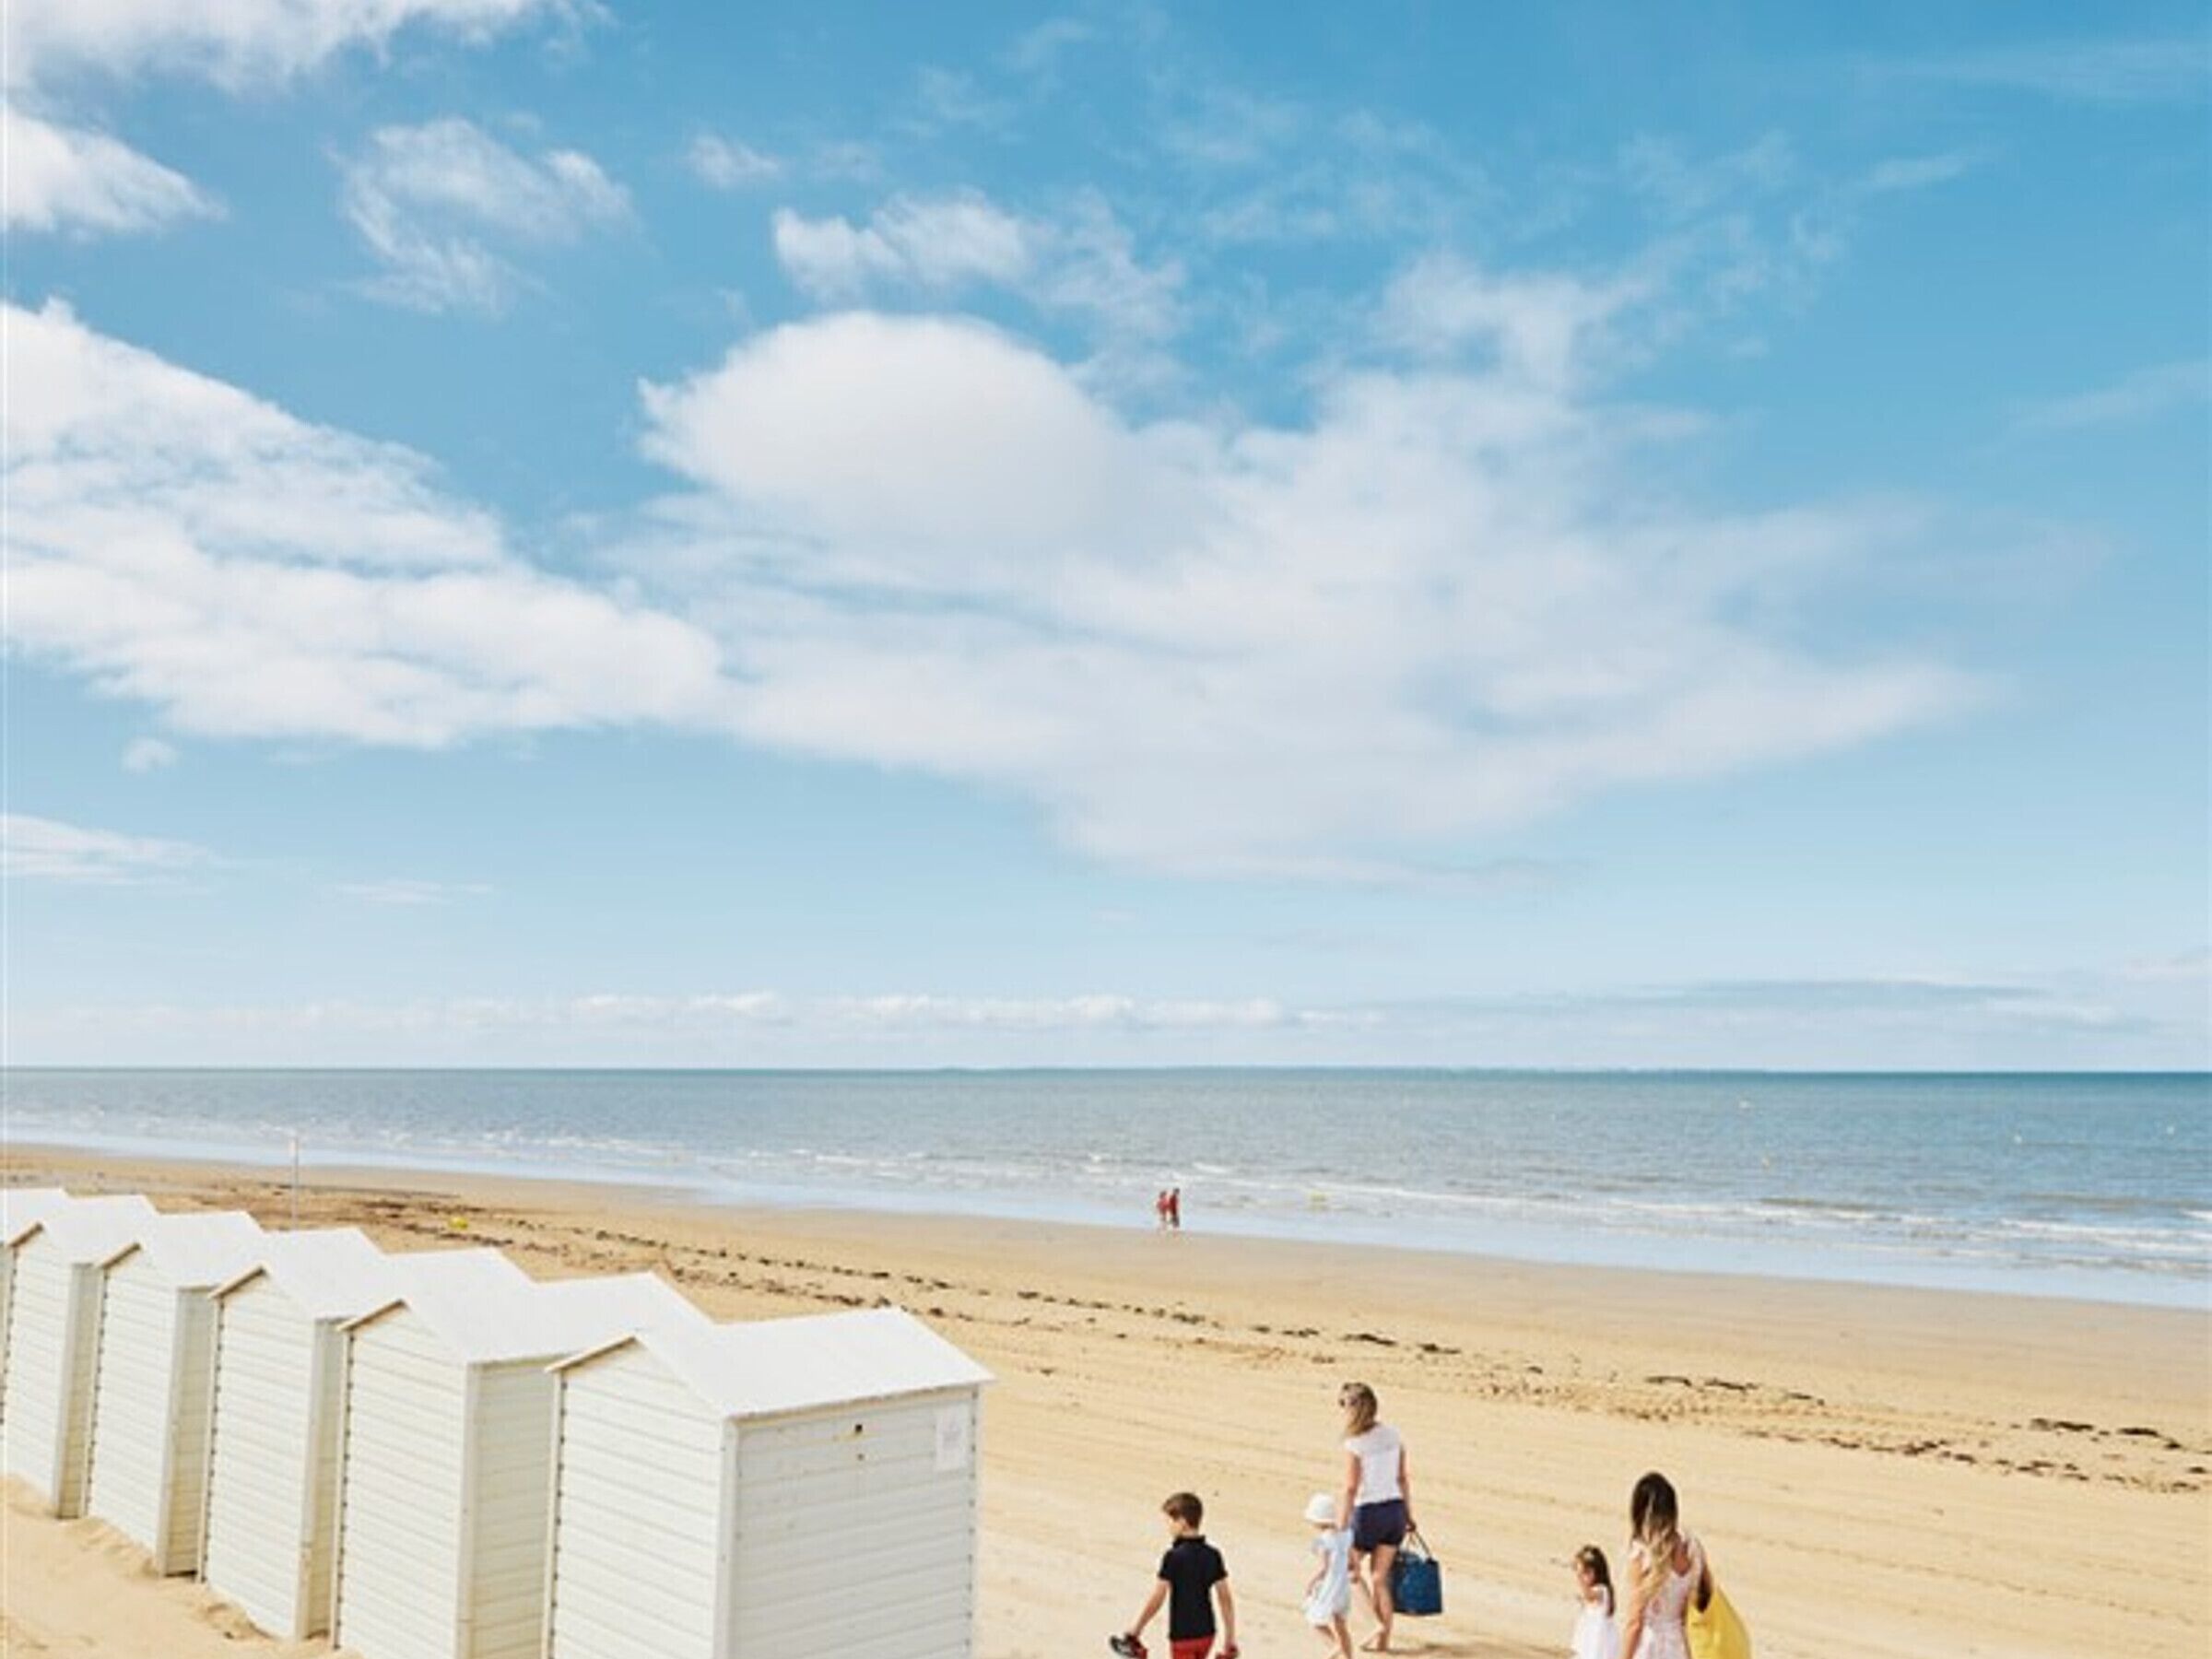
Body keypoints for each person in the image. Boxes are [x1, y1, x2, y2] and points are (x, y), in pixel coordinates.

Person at [1335, 1382, 1413, 1652]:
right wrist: (1409, 1515)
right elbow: (1403, 1478)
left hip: (1368, 1513)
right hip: (1394, 1511)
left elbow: (1350, 1488)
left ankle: (1373, 1623)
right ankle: (1384, 1641)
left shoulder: (1354, 1443)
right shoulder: (1394, 1434)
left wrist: (1342, 1527)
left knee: (1350, 1570)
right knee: (1380, 1579)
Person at [1114, 1491, 1240, 1659]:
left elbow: (1157, 1598)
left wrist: (1137, 1629)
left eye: (1170, 1522)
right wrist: (1230, 1637)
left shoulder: (1173, 1557)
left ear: (1182, 1522)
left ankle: (1139, 1655)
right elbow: (1225, 1598)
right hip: (1207, 1633)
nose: (1168, 1527)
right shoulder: (1213, 1555)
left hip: (1183, 1636)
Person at [1618, 1472, 1706, 1659]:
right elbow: (1693, 1605)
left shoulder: (1642, 1554)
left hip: (1650, 1646)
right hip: (1680, 1646)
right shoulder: (1692, 1547)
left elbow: (1635, 1622)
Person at [1302, 1491, 1355, 1658]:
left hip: (1331, 1586)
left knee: (1316, 1620)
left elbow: (1324, 1568)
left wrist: (1311, 1582)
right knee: (1341, 1624)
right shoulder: (1346, 1536)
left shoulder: (1323, 1541)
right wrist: (1357, 1573)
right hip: (1343, 1587)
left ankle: (1335, 1649)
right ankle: (1347, 1654)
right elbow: (1352, 1561)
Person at [1570, 1544, 1620, 1659]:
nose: (1582, 1577)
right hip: (1589, 1636)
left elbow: (1588, 1595)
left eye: (1586, 1573)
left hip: (1598, 1639)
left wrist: (1580, 1579)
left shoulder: (1602, 1590)